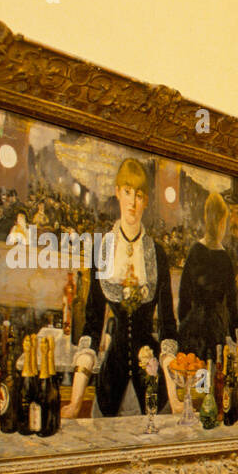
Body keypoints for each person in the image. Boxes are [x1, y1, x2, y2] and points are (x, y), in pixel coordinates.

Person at [65, 158, 178, 418]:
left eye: (139, 195)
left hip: (151, 383)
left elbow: (168, 328)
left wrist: (174, 396)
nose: (132, 202)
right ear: (117, 192)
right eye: (127, 192)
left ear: (146, 201)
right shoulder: (102, 251)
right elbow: (92, 327)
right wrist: (74, 402)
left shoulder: (156, 254)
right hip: (110, 383)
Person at [177, 192, 238, 363]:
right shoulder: (225, 259)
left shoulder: (195, 251)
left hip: (192, 328)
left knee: (192, 377)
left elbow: (184, 296)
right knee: (208, 381)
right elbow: (232, 303)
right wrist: (235, 334)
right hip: (215, 330)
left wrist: (185, 324)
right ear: (221, 222)